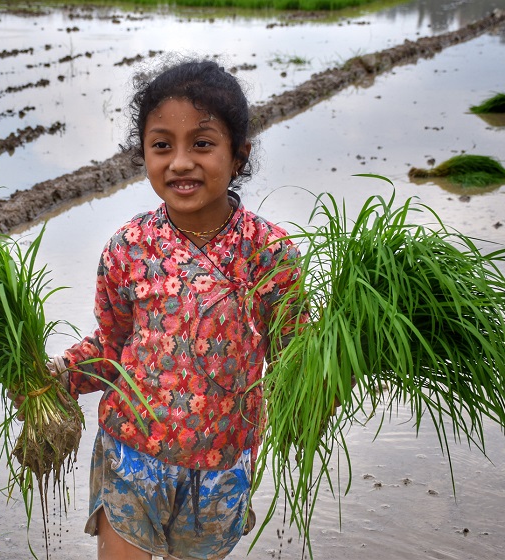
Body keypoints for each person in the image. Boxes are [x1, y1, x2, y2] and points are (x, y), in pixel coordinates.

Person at [50, 58, 304, 560]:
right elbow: (112, 346)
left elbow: (294, 353)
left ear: (238, 156)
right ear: (143, 153)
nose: (180, 162)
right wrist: (56, 375)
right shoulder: (129, 248)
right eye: (162, 145)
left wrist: (324, 384)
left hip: (220, 463)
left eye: (202, 144)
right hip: (131, 452)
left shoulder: (269, 253)